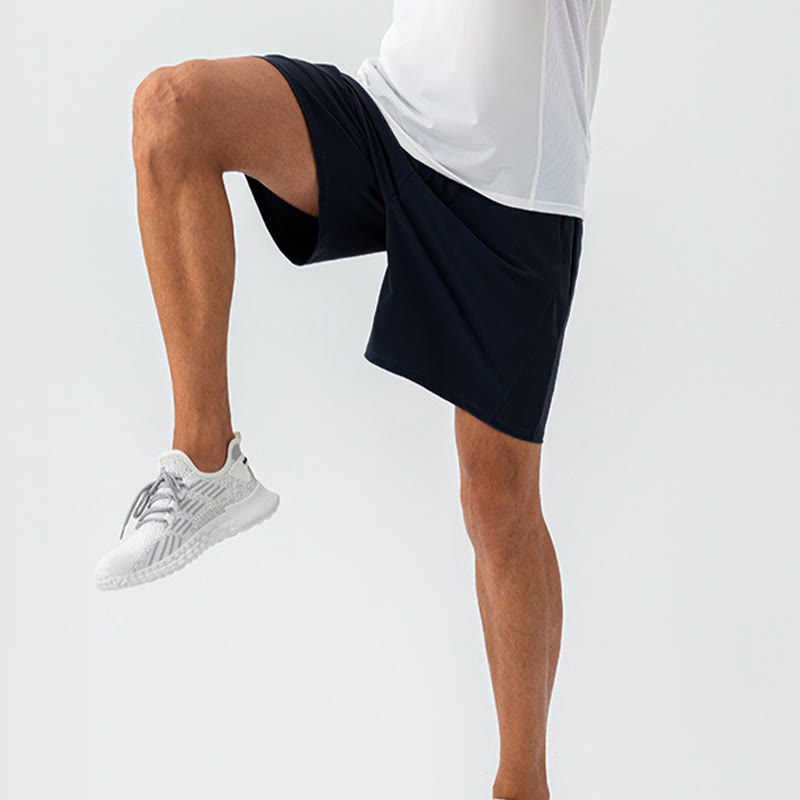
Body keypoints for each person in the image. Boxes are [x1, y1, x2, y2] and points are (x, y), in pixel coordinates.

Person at [95, 2, 612, 798]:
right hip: (392, 116)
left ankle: (523, 785)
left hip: (516, 186)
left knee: (497, 502)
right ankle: (207, 461)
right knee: (173, 108)